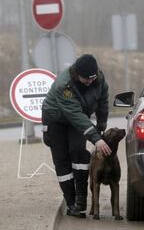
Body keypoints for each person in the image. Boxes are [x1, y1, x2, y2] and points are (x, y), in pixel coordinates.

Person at [41, 54, 112, 218]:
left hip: (77, 120)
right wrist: (96, 138)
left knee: (79, 154)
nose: (89, 81)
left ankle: (81, 201)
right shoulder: (63, 85)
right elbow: (75, 115)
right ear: (76, 74)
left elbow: (103, 103)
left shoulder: (99, 80)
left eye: (92, 78)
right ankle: (71, 202)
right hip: (56, 120)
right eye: (85, 78)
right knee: (62, 160)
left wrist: (101, 126)